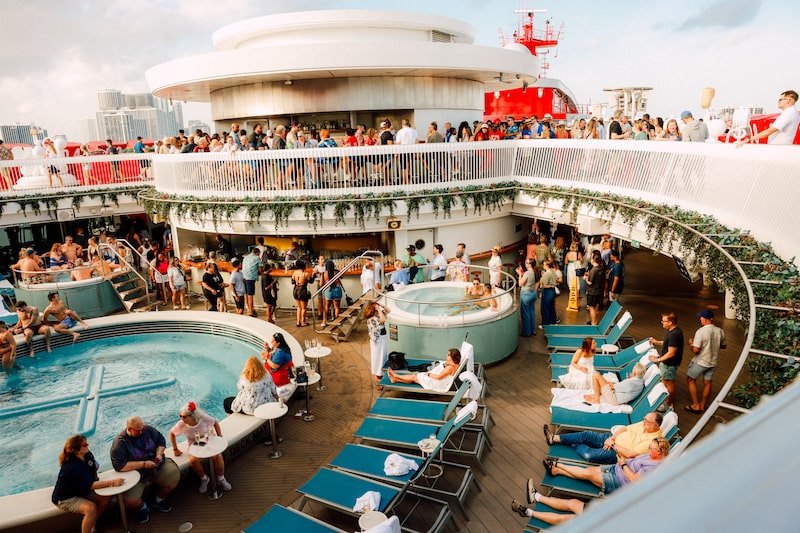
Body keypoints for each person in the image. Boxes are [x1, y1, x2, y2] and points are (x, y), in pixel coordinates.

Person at [109, 416, 179, 524]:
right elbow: (120, 466)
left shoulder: (148, 430)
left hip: (156, 466)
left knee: (174, 477)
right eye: (138, 430)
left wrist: (159, 454)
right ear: (129, 428)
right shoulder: (119, 443)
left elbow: (161, 441)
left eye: (143, 428)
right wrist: (144, 464)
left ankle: (159, 499)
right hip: (135, 475)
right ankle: (142, 507)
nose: (142, 432)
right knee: (129, 501)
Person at [51, 435, 120, 533]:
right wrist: (112, 482)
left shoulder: (87, 455)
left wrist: (96, 479)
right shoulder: (73, 466)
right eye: (85, 444)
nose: (88, 445)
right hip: (66, 498)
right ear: (77, 451)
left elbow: (93, 470)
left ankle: (93, 522)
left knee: (105, 498)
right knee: (91, 508)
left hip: (81, 490)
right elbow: (90, 485)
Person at [169, 401, 232, 494]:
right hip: (195, 446)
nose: (181, 418)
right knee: (193, 460)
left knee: (217, 456)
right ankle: (204, 478)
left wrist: (220, 437)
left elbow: (215, 423)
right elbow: (172, 433)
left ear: (192, 416)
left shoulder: (203, 418)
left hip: (209, 441)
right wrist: (175, 449)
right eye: (180, 416)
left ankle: (221, 478)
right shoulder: (181, 424)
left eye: (184, 416)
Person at [686, 309, 727, 413]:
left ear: (704, 319)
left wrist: (691, 343)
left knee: (691, 379)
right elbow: (724, 345)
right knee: (707, 382)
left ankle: (695, 405)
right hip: (713, 362)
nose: (700, 319)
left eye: (701, 317)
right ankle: (703, 405)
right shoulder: (720, 330)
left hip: (701, 361)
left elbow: (696, 349)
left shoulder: (701, 331)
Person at [649, 312, 684, 407]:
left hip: (669, 364)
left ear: (670, 322)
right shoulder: (674, 331)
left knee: (668, 382)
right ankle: (666, 400)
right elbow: (670, 343)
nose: (662, 322)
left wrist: (658, 359)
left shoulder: (674, 334)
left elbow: (671, 352)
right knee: (665, 381)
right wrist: (657, 342)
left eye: (663, 321)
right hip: (669, 363)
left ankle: (669, 403)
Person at [387, 348, 461, 388]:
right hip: (441, 381)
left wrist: (429, 374)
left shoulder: (450, 368)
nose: (446, 356)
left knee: (414, 377)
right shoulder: (457, 364)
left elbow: (438, 377)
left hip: (437, 382)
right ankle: (395, 379)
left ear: (452, 357)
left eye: (448, 355)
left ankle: (396, 376)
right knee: (415, 378)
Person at [364, 301, 390, 387]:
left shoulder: (378, 315)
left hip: (382, 338)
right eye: (376, 309)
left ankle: (380, 375)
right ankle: (378, 377)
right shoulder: (372, 319)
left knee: (382, 356)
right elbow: (382, 320)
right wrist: (378, 309)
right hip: (377, 340)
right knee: (378, 357)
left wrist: (381, 306)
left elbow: (388, 311)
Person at [517, 258, 538, 337]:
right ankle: (533, 330)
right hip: (533, 293)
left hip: (526, 294)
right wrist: (522, 273)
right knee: (531, 312)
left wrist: (519, 274)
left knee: (525, 313)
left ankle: (526, 332)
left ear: (529, 264)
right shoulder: (533, 272)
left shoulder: (527, 273)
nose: (525, 263)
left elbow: (520, 284)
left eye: (526, 262)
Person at [320, 259, 342, 327]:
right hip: (337, 290)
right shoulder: (336, 272)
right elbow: (342, 276)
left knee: (327, 307)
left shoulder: (324, 274)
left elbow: (321, 284)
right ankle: (337, 322)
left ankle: (324, 321)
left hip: (328, 290)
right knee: (337, 307)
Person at [241, 246, 262, 317]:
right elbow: (260, 270)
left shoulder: (246, 257)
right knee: (250, 295)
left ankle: (248, 309)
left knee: (246, 294)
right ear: (257, 253)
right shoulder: (257, 258)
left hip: (244, 277)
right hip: (251, 278)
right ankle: (251, 312)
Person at [585, 256, 605, 326]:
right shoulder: (601, 268)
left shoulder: (593, 270)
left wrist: (586, 279)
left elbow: (590, 282)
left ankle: (593, 322)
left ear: (593, 260)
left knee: (591, 307)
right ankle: (595, 320)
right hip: (599, 291)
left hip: (592, 291)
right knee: (596, 306)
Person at [291, 260, 312, 327]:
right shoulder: (305, 274)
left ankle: (298, 322)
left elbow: (292, 282)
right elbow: (311, 281)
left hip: (295, 290)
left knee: (299, 307)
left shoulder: (294, 273)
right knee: (303, 308)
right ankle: (303, 322)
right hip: (302, 291)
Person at [539, 260, 559, 328]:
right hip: (552, 292)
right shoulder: (553, 272)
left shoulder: (546, 274)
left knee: (545, 309)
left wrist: (551, 285)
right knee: (551, 307)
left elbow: (544, 285)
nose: (543, 266)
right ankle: (553, 321)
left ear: (547, 266)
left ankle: (545, 324)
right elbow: (557, 279)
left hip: (547, 292)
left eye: (544, 264)